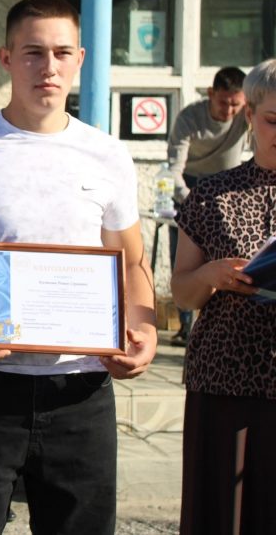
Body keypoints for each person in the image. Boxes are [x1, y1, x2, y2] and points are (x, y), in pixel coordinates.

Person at [0, 0, 157, 534]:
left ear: (80, 59)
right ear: (6, 58)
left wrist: (143, 328)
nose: (48, 67)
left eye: (61, 52)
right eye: (32, 52)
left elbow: (132, 264)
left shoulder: (108, 154)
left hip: (80, 390)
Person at [170, 58, 276, 534]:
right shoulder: (212, 194)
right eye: (273, 120)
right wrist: (210, 275)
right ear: (249, 115)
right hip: (225, 379)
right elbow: (182, 294)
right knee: (223, 516)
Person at [166, 66, 248, 346]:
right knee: (184, 259)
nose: (229, 111)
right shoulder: (189, 117)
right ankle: (185, 325)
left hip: (229, 189)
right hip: (191, 188)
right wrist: (190, 200)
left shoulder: (245, 116)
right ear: (211, 93)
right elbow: (174, 169)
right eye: (223, 102)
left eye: (236, 104)